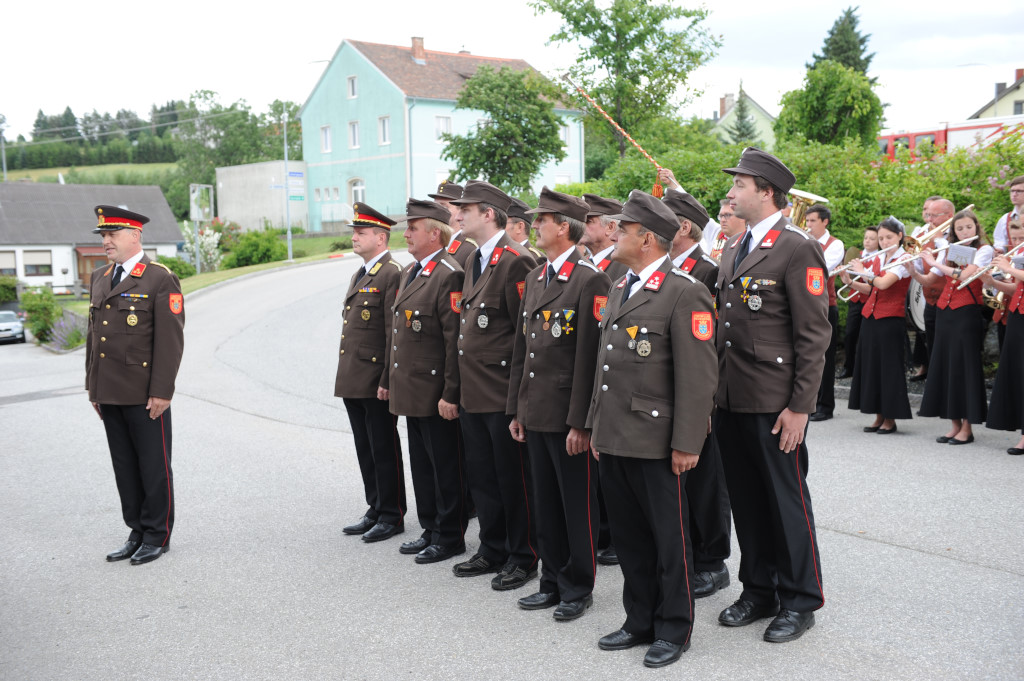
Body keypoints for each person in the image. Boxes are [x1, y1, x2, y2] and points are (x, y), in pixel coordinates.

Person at [587, 189, 717, 668]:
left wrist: (687, 442)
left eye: (622, 229)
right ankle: (639, 619)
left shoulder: (685, 291)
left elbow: (698, 378)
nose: (613, 235)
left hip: (657, 440)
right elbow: (605, 367)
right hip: (615, 435)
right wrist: (596, 427)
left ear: (646, 239)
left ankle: (674, 628)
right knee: (629, 538)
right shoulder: (621, 286)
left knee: (669, 539)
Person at [715, 147, 828, 644]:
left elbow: (813, 336)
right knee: (746, 502)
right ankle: (759, 589)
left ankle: (800, 600)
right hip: (731, 397)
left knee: (786, 503)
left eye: (739, 184)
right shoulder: (734, 246)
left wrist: (801, 407)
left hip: (774, 403)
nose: (731, 192)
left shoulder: (797, 248)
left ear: (765, 191)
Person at [507, 187, 609, 621]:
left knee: (576, 506)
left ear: (564, 227)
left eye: (542, 220)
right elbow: (523, 351)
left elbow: (591, 358)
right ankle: (550, 580)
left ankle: (577, 586)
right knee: (545, 503)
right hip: (536, 410)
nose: (535, 226)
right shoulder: (536, 277)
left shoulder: (590, 280)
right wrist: (517, 409)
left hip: (568, 415)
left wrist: (582, 422)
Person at [450, 180, 540, 591]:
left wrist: (519, 401)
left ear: (489, 214)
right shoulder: (475, 258)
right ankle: (492, 547)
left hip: (502, 391)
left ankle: (523, 555)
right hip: (475, 391)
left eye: (466, 209)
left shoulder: (516, 260)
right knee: (483, 477)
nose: (458, 215)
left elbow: (526, 336)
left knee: (513, 480)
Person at [87, 205, 185, 566]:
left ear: (135, 235)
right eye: (103, 235)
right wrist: (93, 387)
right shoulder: (100, 277)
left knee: (153, 467)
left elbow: (170, 342)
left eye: (112, 234)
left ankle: (157, 535)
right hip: (109, 391)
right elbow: (94, 338)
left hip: (145, 394)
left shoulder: (159, 278)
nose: (106, 241)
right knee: (124, 467)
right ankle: (137, 530)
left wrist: (162, 391)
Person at [381, 199, 468, 563]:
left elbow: (453, 342)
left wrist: (450, 393)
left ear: (435, 234)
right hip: (412, 389)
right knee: (422, 465)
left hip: (434, 392)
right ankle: (431, 527)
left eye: (413, 228)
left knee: (445, 467)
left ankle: (450, 536)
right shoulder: (410, 272)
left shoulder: (449, 274)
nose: (406, 234)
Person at [662, 189, 732, 599]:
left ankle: (711, 562)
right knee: (681, 483)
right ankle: (688, 555)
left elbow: (711, 342)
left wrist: (704, 400)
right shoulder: (668, 269)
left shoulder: (706, 271)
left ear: (683, 226)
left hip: (697, 393)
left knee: (705, 481)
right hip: (665, 393)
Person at [335, 203, 407, 543]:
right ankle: (375, 507)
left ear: (381, 238)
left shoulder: (392, 273)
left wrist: (387, 379)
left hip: (375, 378)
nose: (354, 237)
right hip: (354, 377)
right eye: (354, 232)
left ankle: (392, 514)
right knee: (365, 447)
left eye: (361, 233)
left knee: (383, 447)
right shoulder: (361, 273)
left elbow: (394, 332)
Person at [917, 209, 994, 445]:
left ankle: (967, 428)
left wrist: (935, 261)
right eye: (959, 229)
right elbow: (931, 278)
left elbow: (965, 275)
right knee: (945, 366)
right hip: (945, 312)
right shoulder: (949, 249)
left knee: (965, 367)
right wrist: (912, 268)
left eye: (969, 227)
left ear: (976, 228)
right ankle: (954, 424)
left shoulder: (984, 250)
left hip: (966, 313)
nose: (965, 232)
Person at [579, 193, 627, 567]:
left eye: (590, 219)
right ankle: (603, 530)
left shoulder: (619, 267)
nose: (583, 225)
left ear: (611, 227)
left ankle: (612, 533)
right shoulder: (588, 265)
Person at [842, 217, 914, 434]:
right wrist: (850, 282)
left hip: (891, 319)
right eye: (881, 238)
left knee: (889, 368)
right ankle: (878, 415)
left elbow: (882, 283)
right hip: (870, 317)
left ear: (900, 236)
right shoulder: (879, 258)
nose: (884, 242)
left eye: (888, 237)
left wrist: (862, 271)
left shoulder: (904, 258)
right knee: (871, 367)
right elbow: (871, 289)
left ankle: (890, 418)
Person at [985, 218, 1024, 454]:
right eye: (1015, 238)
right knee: (1018, 372)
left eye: (1021, 237)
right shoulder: (1020, 253)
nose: (1017, 242)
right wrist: (991, 281)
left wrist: (1008, 268)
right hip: (1017, 314)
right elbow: (1017, 288)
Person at [805, 205, 844, 422]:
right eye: (807, 221)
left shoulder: (835, 244)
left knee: (826, 358)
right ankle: (809, 403)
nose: (808, 225)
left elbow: (820, 270)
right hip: (805, 306)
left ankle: (825, 405)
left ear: (824, 222)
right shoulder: (804, 241)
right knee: (807, 356)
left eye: (812, 221)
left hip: (825, 306)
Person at [909, 197, 954, 381]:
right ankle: (935, 380)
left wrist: (940, 241)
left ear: (949, 216)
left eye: (934, 216)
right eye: (928, 215)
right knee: (932, 341)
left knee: (947, 344)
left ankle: (948, 381)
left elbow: (944, 265)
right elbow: (921, 268)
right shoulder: (925, 233)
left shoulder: (956, 235)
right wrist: (911, 263)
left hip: (951, 300)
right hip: (931, 298)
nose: (929, 220)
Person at [655, 166, 722, 256]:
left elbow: (698, 215)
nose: (723, 219)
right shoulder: (717, 232)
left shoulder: (717, 235)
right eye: (721, 216)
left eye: (728, 215)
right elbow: (694, 212)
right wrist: (673, 183)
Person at [840, 226, 878, 378]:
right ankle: (848, 367)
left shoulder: (880, 258)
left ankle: (863, 369)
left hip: (870, 300)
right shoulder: (858, 255)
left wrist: (862, 270)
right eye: (866, 238)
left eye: (872, 239)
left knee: (866, 337)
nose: (867, 241)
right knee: (850, 334)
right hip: (855, 300)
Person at [581, 194, 629, 282]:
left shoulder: (625, 265)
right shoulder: (581, 261)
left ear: (610, 227)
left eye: (588, 221)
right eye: (581, 221)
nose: (582, 226)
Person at [429, 180, 476, 270]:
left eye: (444, 206)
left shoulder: (469, 249)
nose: (437, 211)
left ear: (460, 210)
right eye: (435, 206)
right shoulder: (432, 243)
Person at [992, 175, 1024, 253]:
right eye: (1012, 191)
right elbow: (999, 242)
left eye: (1019, 191)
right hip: (1013, 260)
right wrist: (999, 250)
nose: (1014, 194)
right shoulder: (1005, 219)